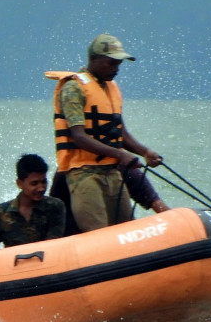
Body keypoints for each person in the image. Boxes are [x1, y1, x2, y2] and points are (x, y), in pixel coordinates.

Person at [51, 33, 165, 233]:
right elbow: (78, 136)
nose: (116, 69)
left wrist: (144, 152)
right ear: (94, 59)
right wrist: (121, 154)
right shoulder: (73, 88)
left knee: (126, 230)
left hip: (112, 172)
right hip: (84, 173)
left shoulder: (111, 88)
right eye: (111, 63)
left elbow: (120, 132)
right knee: (99, 232)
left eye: (119, 63)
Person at [0, 153, 66, 250]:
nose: (41, 188)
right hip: (12, 263)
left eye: (44, 182)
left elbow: (54, 244)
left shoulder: (55, 206)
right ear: (19, 184)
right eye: (34, 183)